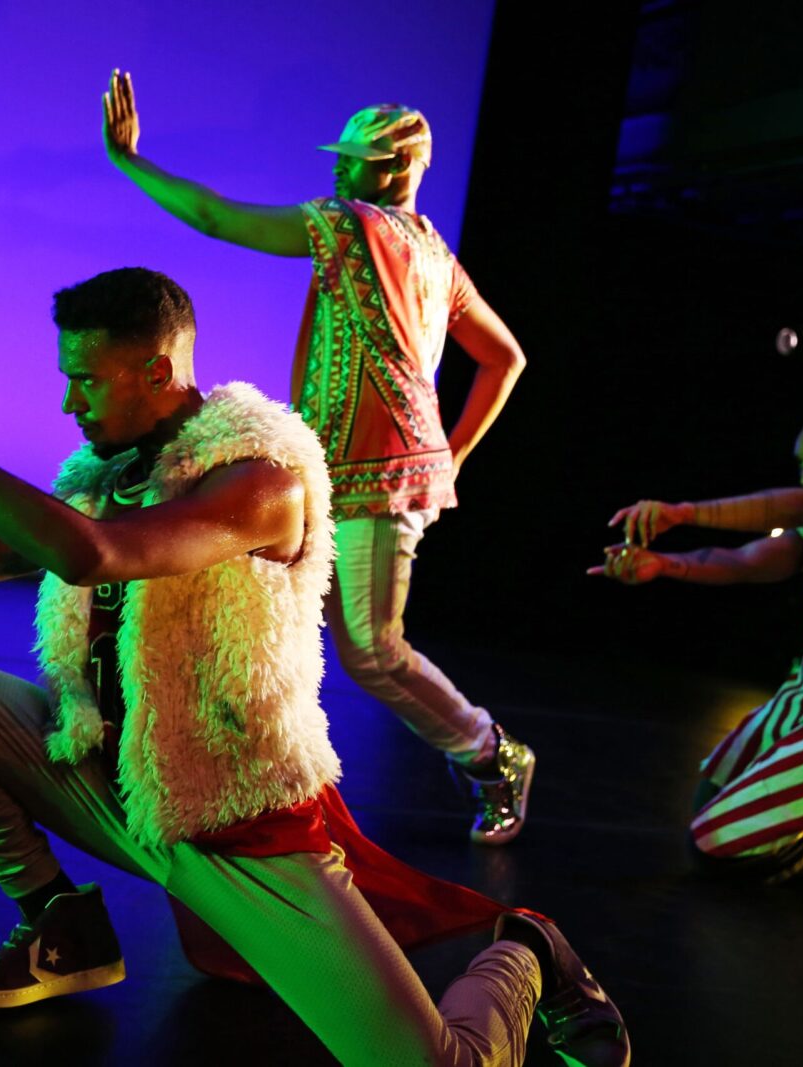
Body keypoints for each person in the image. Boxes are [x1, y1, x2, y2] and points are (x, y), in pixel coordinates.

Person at [0, 268, 627, 1065]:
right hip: (116, 783)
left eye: (89, 379)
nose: (71, 402)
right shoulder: (105, 474)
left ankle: (527, 954)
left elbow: (95, 556)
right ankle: (60, 922)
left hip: (236, 817)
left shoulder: (262, 479)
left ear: (156, 370)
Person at [99, 70, 534, 844]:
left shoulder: (355, 226)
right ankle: (249, 774)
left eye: (355, 159)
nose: (336, 169)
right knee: (283, 619)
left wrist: (130, 162)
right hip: (351, 467)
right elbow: (505, 359)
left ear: (395, 169)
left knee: (371, 650)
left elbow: (213, 217)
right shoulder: (433, 250)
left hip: (379, 474)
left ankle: (490, 752)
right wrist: (453, 455)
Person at [591, 402, 803, 882]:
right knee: (709, 799)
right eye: (801, 463)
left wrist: (683, 513)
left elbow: (802, 503)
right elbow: (748, 562)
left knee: (720, 847)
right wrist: (664, 565)